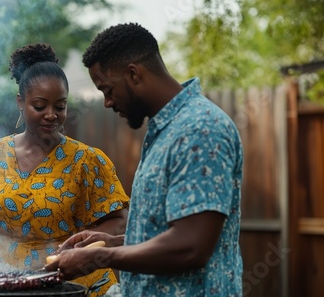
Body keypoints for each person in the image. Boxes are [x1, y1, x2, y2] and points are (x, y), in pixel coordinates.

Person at [44, 23, 244, 296]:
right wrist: (113, 242)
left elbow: (191, 246)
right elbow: (168, 232)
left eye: (108, 90)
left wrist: (98, 259)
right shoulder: (166, 131)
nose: (107, 102)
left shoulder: (199, 129)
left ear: (134, 74)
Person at [0, 43, 130, 296]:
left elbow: (118, 221)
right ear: (20, 102)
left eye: (60, 106)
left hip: (72, 286)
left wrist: (81, 246)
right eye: (40, 106)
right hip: (3, 282)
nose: (51, 115)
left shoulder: (86, 161)